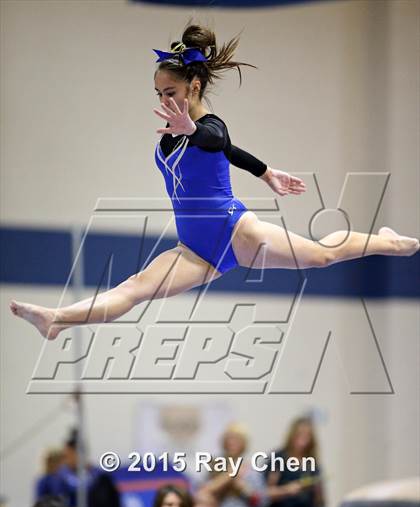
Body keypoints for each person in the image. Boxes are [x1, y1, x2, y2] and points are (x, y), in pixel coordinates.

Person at [10, 23, 419, 340]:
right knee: (135, 289)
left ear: (195, 85)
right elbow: (231, 152)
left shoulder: (205, 126)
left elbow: (217, 139)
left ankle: (389, 242)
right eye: (157, 93)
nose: (163, 100)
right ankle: (57, 320)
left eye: (170, 91)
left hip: (233, 230)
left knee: (320, 256)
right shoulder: (173, 131)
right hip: (196, 250)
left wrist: (192, 129)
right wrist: (265, 171)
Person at [199, 423, 268, 507]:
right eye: (229, 439)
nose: (232, 443)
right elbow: (202, 493)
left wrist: (243, 488)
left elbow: (262, 503)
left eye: (237, 440)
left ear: (244, 444)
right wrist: (227, 478)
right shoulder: (215, 465)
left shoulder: (252, 470)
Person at [264, 417, 324, 507]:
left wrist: (317, 490)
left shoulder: (311, 462)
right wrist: (286, 490)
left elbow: (319, 501)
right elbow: (266, 493)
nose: (303, 439)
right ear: (292, 435)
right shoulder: (278, 459)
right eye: (299, 434)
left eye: (307, 436)